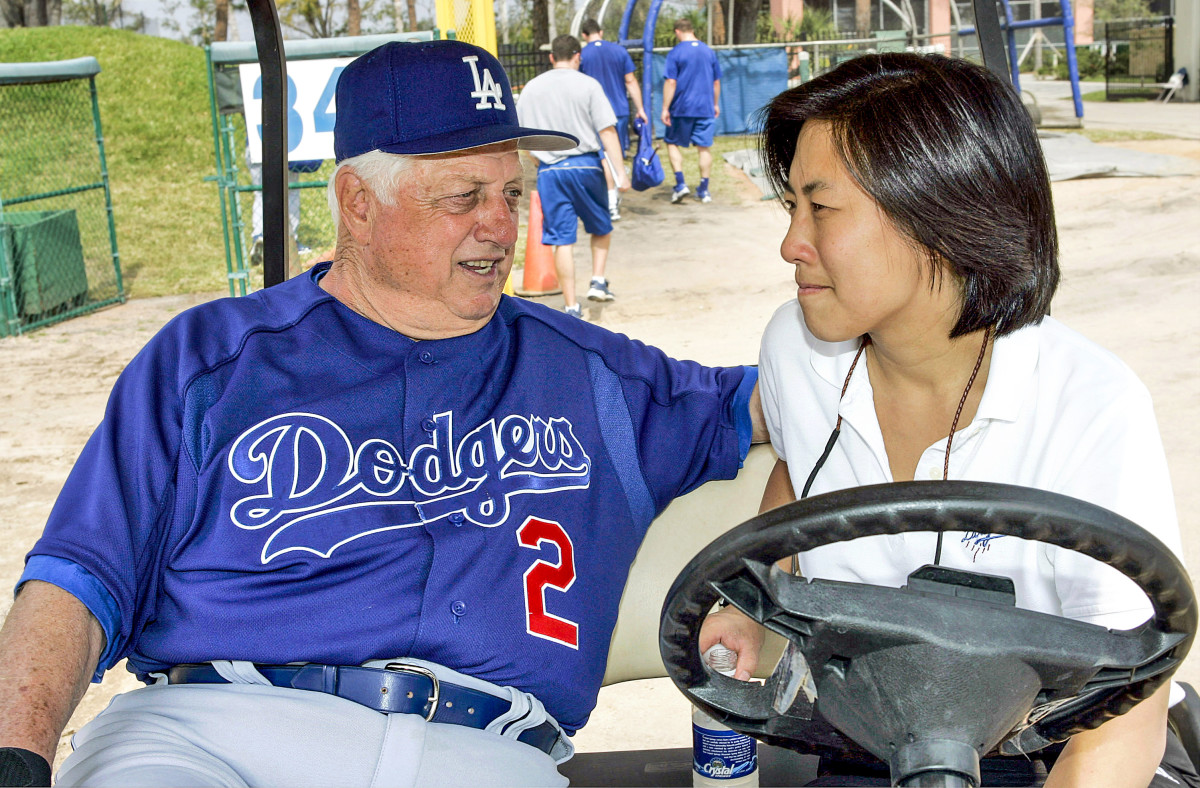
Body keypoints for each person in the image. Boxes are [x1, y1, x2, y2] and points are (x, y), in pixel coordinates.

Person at [0, 40, 765, 787]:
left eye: (511, 193)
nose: (499, 226)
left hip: (487, 752)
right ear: (357, 205)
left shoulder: (592, 372)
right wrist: (17, 758)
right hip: (214, 733)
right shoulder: (212, 360)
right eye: (463, 197)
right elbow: (76, 580)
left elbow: (802, 398)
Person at [699, 53, 1193, 788]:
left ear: (936, 215)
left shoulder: (1088, 402)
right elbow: (800, 477)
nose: (790, 244)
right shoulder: (795, 349)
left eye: (821, 208)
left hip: (1055, 750)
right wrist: (750, 598)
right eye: (790, 208)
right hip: (874, 741)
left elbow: (1125, 714)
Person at [517, 34, 628, 317]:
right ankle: (598, 281)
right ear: (578, 56)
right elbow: (606, 130)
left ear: (552, 57)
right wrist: (620, 173)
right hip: (587, 165)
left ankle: (570, 305)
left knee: (562, 240)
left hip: (550, 171)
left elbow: (522, 137)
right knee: (601, 227)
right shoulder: (588, 84)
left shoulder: (531, 88)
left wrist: (538, 159)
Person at [579, 17, 648, 220]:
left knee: (604, 157)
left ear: (584, 35)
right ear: (601, 32)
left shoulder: (582, 56)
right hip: (619, 110)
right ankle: (613, 196)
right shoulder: (619, 51)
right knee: (615, 154)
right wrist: (641, 109)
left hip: (595, 113)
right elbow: (630, 80)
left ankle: (610, 202)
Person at [661, 18, 721, 205]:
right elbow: (716, 82)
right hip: (705, 108)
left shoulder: (676, 52)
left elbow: (671, 82)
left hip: (681, 108)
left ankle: (680, 185)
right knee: (704, 148)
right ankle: (704, 190)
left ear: (677, 31)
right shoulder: (708, 51)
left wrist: (665, 108)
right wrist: (715, 104)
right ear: (692, 30)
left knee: (671, 143)